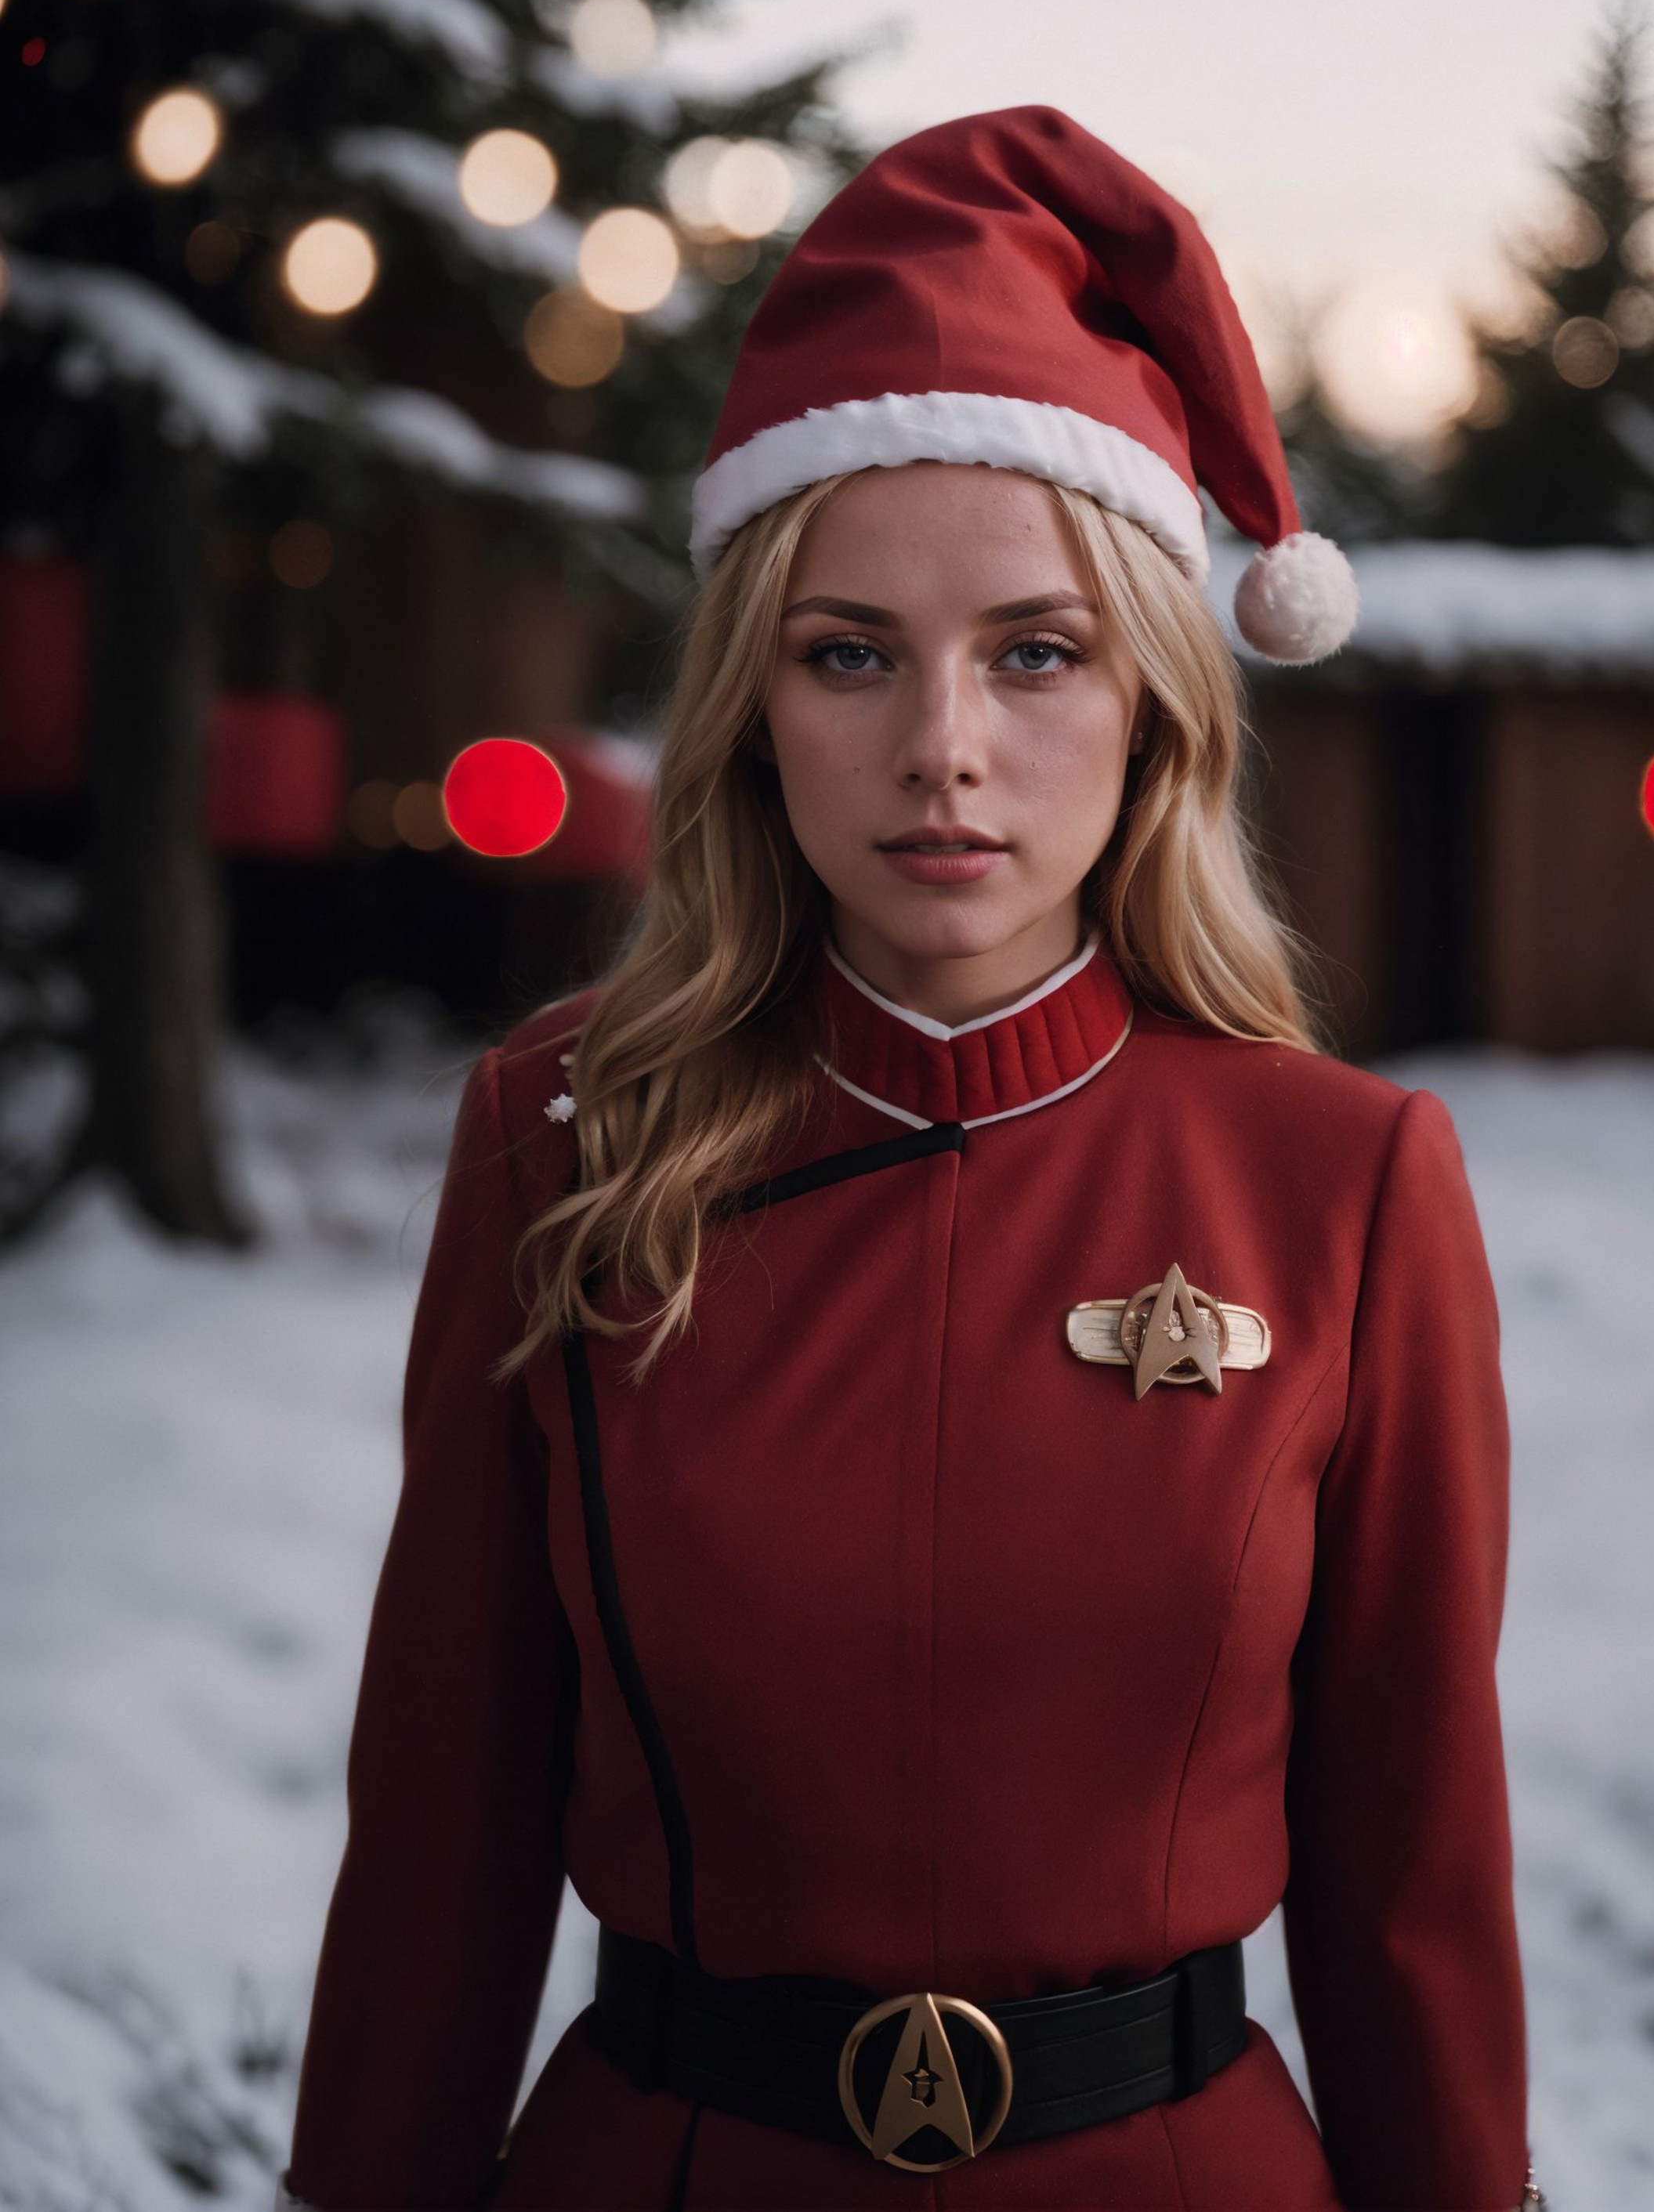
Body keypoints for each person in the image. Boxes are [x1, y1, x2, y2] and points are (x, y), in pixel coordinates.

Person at [277, 106, 1546, 2211]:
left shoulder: (1345, 1183)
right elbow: (443, 1823)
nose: (942, 746)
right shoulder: (560, 1135)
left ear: (1151, 700)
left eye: (1033, 653)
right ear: (752, 704)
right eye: (847, 651)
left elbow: (1418, 1873)